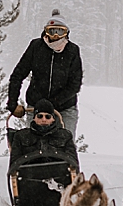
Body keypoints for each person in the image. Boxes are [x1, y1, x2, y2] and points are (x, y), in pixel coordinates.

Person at [7, 10, 83, 139]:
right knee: (32, 143)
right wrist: (13, 104)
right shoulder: (36, 47)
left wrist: (54, 103)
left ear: (66, 33)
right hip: (36, 106)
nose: (55, 36)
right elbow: (18, 75)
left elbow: (75, 84)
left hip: (64, 107)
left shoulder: (72, 51)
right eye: (51, 31)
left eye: (60, 31)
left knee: (65, 142)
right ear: (45, 31)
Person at [8, 99, 79, 172]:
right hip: (29, 178)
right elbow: (14, 163)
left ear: (53, 119)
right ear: (34, 118)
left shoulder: (64, 136)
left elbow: (73, 162)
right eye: (40, 116)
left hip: (59, 177)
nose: (44, 120)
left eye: (48, 117)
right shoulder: (21, 136)